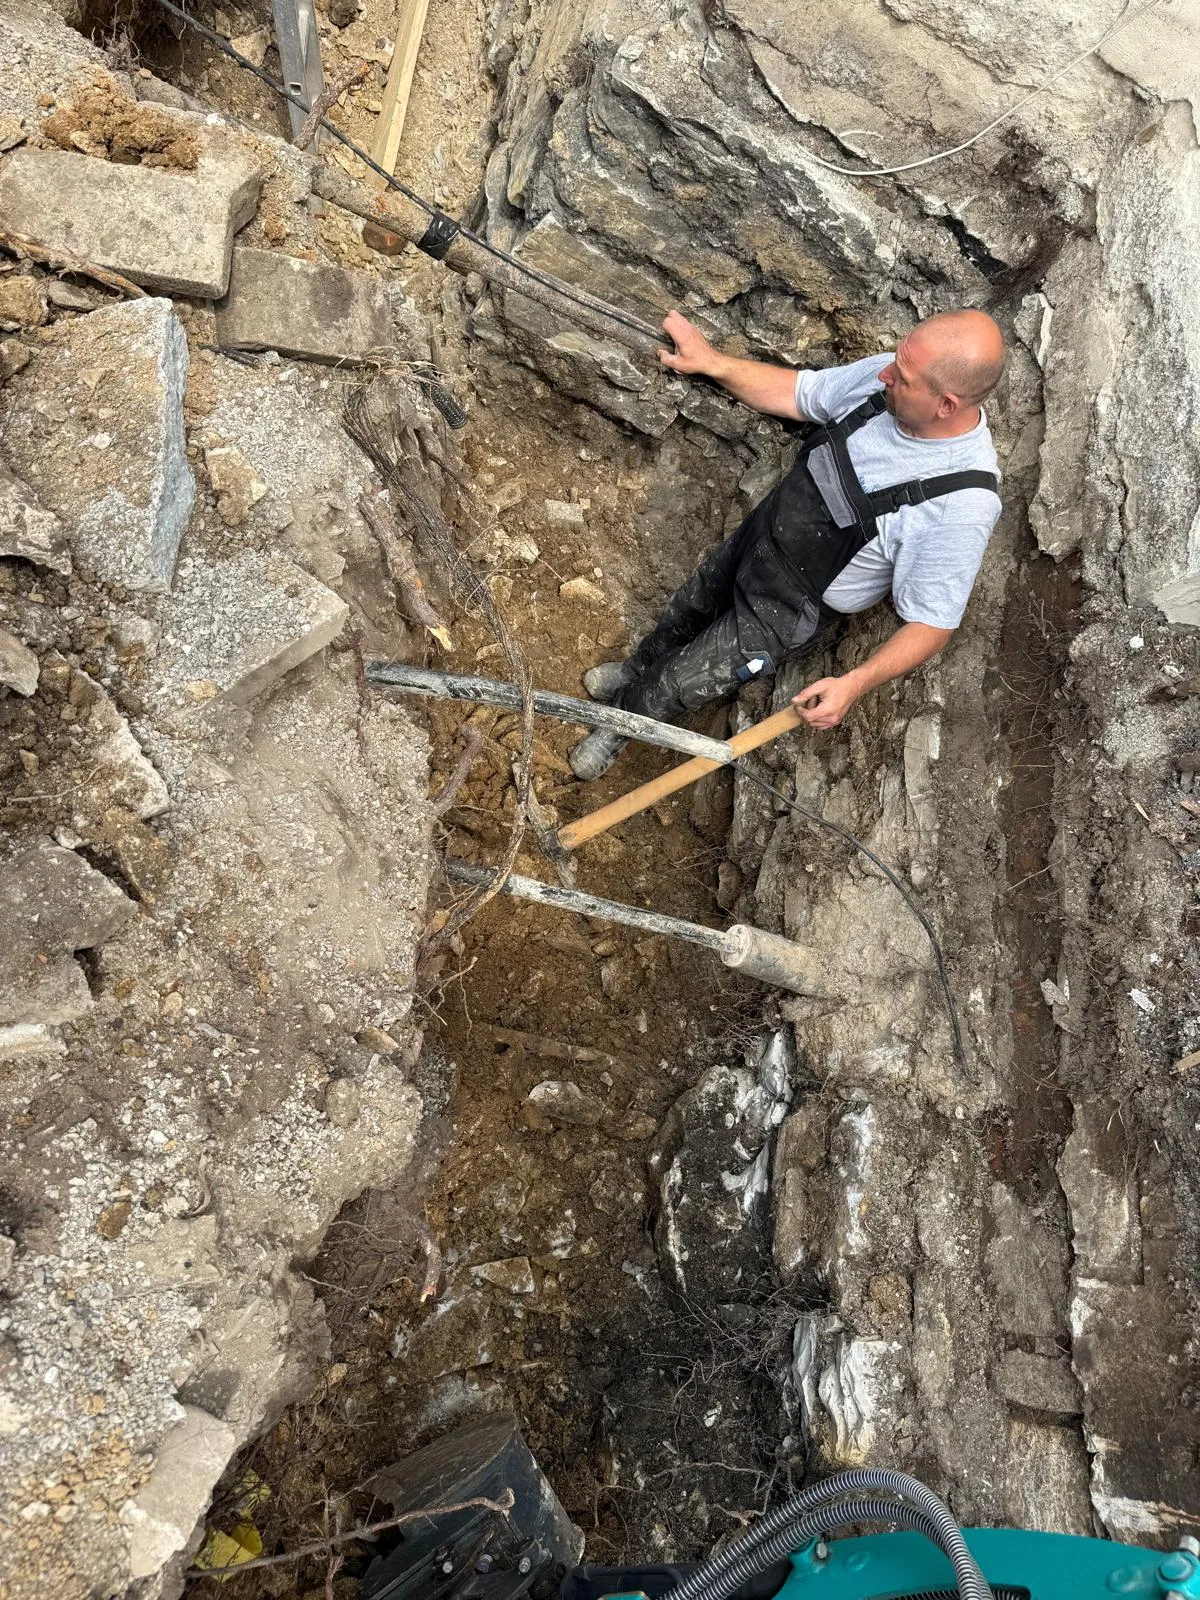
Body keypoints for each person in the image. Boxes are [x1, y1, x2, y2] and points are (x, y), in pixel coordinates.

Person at [569, 308, 1006, 779]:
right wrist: (712, 362)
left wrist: (855, 683)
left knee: (682, 682)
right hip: (762, 537)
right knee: (687, 609)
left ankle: (620, 725)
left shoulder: (959, 504)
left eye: (900, 377)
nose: (883, 374)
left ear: (946, 404)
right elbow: (800, 394)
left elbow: (932, 622)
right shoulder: (888, 381)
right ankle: (635, 671)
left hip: (791, 606)